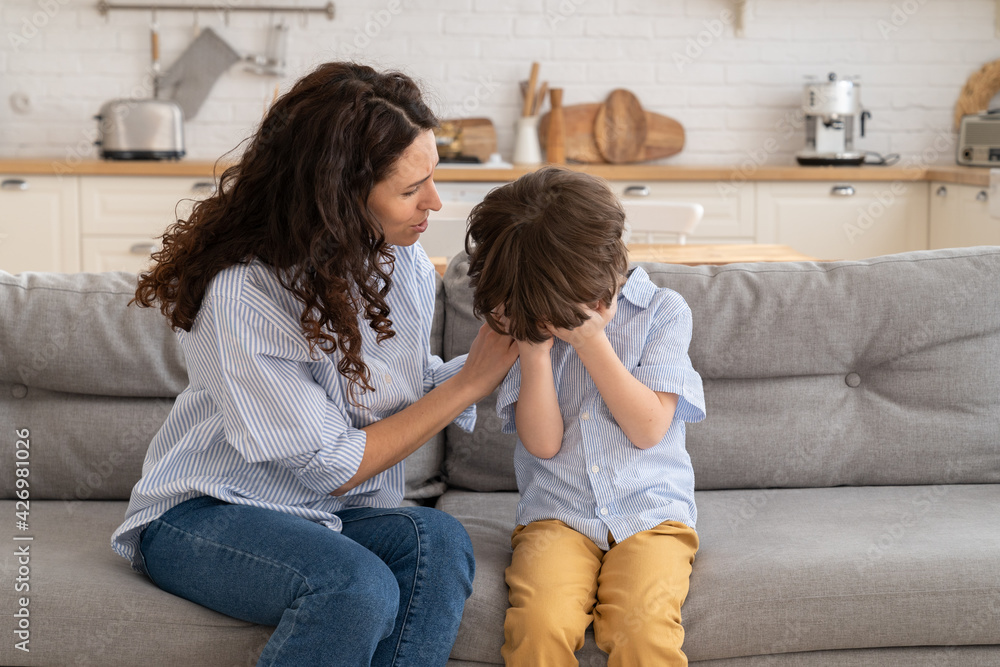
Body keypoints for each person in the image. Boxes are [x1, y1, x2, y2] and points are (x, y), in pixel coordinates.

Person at [111, 62, 518, 667]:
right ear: (339, 200)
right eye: (411, 190)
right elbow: (333, 464)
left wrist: (517, 350)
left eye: (433, 177)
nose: (434, 202)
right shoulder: (245, 294)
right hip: (209, 513)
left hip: (328, 516)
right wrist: (470, 383)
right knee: (356, 588)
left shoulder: (396, 260)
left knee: (437, 540)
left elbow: (398, 386)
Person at [465, 166, 707, 666]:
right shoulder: (530, 316)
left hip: (651, 517)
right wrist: (533, 355)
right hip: (557, 515)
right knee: (538, 626)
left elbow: (647, 430)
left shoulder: (662, 311)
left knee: (642, 633)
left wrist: (592, 341)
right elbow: (544, 445)